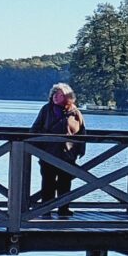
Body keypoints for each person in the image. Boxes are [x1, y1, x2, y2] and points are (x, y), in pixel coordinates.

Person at [28, 83, 85, 214]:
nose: (55, 96)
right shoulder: (46, 109)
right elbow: (34, 129)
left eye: (59, 95)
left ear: (67, 97)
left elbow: (82, 132)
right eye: (54, 94)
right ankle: (45, 209)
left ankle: (63, 209)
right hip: (48, 153)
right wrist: (37, 147)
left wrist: (80, 150)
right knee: (48, 182)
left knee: (65, 182)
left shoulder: (75, 112)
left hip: (67, 154)